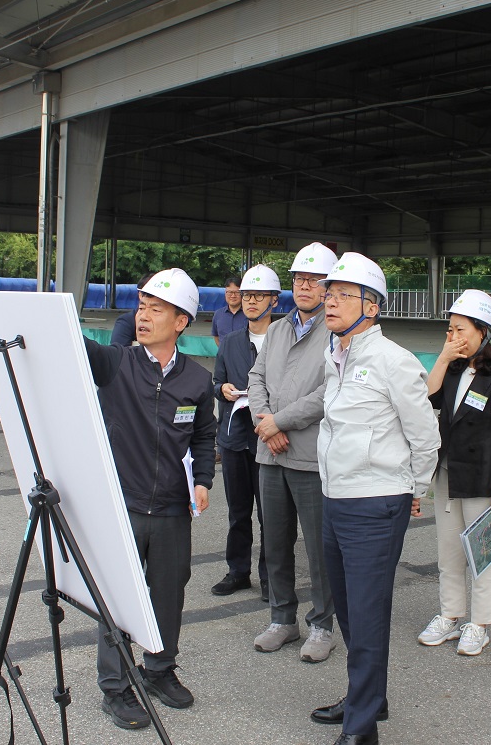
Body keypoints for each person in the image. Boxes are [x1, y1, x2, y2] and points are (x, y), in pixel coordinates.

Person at [311, 252, 441, 745]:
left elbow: (425, 436)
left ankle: (361, 730)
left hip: (375, 503)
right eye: (330, 293)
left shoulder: (393, 360)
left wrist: (416, 488)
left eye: (344, 295)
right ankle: (370, 697)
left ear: (373, 305)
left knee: (365, 614)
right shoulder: (335, 354)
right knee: (347, 608)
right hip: (335, 498)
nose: (331, 302)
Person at [81, 268, 217, 731]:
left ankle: (158, 670)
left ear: (180, 321)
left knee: (168, 593)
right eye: (142, 307)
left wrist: (203, 480)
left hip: (174, 511)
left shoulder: (197, 381)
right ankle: (115, 688)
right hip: (124, 505)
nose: (144, 316)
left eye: (155, 309)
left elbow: (203, 435)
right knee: (118, 598)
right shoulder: (117, 363)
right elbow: (76, 347)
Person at [417, 289, 491, 656]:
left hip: (483, 478)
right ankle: (450, 615)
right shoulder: (454, 368)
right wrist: (444, 359)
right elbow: (425, 398)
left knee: (483, 554)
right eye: (449, 329)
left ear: (483, 331)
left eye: (459, 329)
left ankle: (478, 624)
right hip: (448, 474)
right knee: (448, 553)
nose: (453, 336)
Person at [247, 241, 337, 663]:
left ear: (328, 287)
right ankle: (282, 619)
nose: (305, 286)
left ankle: (322, 626)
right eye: (300, 279)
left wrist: (279, 423)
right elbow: (256, 376)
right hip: (270, 453)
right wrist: (265, 422)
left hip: (307, 456)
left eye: (315, 280)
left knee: (319, 547)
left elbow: (328, 392)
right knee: (275, 541)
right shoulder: (279, 329)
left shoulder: (336, 332)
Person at [211, 264, 280, 600]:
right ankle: (238, 571)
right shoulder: (231, 341)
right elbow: (215, 381)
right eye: (247, 295)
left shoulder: (284, 340)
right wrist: (222, 389)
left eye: (258, 295)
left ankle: (270, 577)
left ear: (274, 301)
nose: (250, 301)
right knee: (238, 511)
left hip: (269, 440)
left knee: (270, 515)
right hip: (235, 437)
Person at [111, 274, 152, 347]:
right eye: (150, 294)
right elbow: (118, 354)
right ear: (140, 295)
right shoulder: (126, 321)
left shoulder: (168, 320)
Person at [211, 275, 246, 346]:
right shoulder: (218, 314)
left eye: (237, 292)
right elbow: (216, 336)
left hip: (244, 356)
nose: (233, 296)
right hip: (224, 356)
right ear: (225, 293)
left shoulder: (249, 314)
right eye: (230, 292)